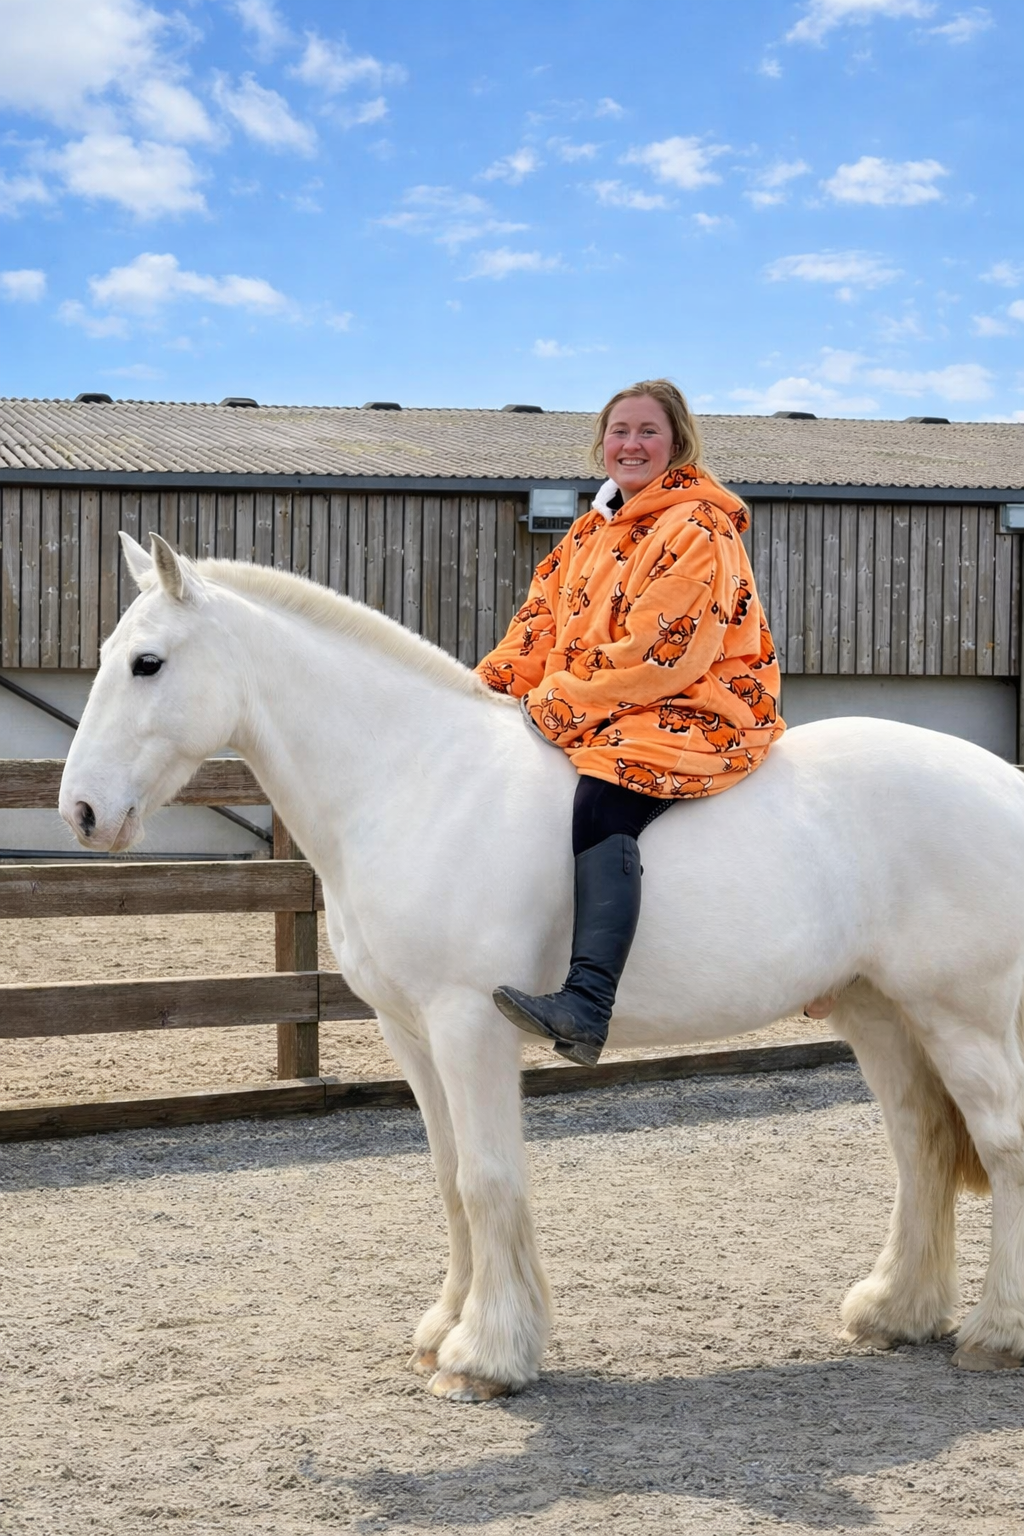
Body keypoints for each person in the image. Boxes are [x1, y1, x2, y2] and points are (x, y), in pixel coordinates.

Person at [475, 378, 785, 1067]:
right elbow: (535, 631)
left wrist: (551, 706)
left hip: (695, 702)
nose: (631, 444)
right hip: (603, 700)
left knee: (605, 794)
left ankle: (587, 1003)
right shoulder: (588, 533)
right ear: (601, 444)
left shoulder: (698, 527)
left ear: (677, 443)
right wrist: (474, 697)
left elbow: (660, 652)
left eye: (648, 431)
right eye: (620, 431)